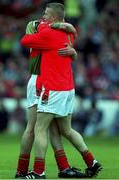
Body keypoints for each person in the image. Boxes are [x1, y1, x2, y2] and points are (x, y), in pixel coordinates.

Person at [21, 3, 102, 179]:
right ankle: (90, 163)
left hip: (49, 84)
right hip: (67, 87)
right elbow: (72, 31)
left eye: (46, 14)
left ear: (53, 17)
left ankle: (36, 172)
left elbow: (25, 40)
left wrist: (50, 27)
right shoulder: (68, 33)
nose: (42, 17)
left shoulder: (46, 32)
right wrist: (67, 32)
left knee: (38, 128)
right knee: (63, 129)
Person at [15, 18, 84, 179]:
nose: (45, 18)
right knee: (34, 128)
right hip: (40, 79)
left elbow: (70, 31)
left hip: (46, 80)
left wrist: (73, 51)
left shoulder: (44, 31)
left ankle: (61, 168)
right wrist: (61, 25)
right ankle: (25, 171)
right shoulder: (42, 30)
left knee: (52, 129)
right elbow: (68, 29)